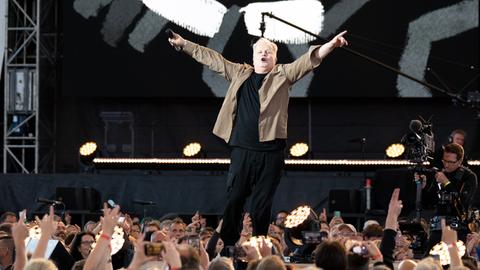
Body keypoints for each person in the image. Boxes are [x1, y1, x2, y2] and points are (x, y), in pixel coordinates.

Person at [168, 30, 348, 245]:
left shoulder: (283, 74)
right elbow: (210, 58)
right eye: (259, 52)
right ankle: (227, 245)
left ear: (275, 58)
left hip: (271, 152)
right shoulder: (239, 73)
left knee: (260, 204)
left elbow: (310, 60)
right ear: (253, 57)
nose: (263, 55)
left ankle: (259, 242)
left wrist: (331, 45)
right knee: (235, 198)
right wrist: (183, 43)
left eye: (268, 52)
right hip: (243, 149)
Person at [421, 143, 478, 254]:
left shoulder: (469, 176)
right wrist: (423, 188)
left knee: (455, 260)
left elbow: (462, 202)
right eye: (444, 161)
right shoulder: (440, 175)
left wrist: (446, 183)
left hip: (458, 229)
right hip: (437, 228)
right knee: (428, 260)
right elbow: (428, 204)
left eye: (451, 162)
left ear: (460, 161)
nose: (446, 165)